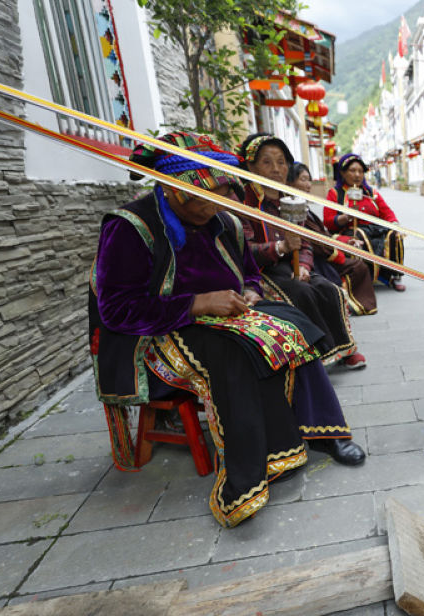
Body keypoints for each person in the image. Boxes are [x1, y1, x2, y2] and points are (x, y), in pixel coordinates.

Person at [90, 132, 367, 528]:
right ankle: (255, 469)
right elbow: (116, 309)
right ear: (176, 190)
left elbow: (251, 275)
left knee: (296, 327)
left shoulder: (224, 221)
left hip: (227, 312)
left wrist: (250, 293)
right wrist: (197, 303)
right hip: (159, 330)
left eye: (221, 196)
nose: (215, 207)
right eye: (207, 197)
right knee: (238, 354)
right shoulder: (130, 226)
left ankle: (325, 431)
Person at [237, 133, 368, 371]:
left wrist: (306, 266)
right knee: (301, 293)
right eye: (267, 162)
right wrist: (280, 247)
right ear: (251, 166)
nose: (276, 169)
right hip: (262, 271)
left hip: (294, 265)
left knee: (329, 289)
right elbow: (243, 249)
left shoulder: (291, 200)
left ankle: (346, 348)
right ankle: (317, 355)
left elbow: (305, 241)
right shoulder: (243, 203)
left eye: (281, 162)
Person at [286, 162, 378, 315]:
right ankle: (349, 303)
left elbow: (323, 233)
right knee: (357, 264)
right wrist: (345, 221)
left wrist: (346, 241)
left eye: (309, 180)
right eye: (303, 180)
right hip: (316, 256)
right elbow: (326, 225)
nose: (308, 185)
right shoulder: (333, 194)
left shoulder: (370, 192)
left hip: (339, 241)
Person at [323, 153, 407, 292]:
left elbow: (386, 211)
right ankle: (364, 277)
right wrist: (347, 217)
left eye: (360, 171)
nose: (357, 175)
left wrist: (394, 224)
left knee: (394, 234)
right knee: (359, 236)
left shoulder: (371, 192)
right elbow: (328, 221)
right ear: (343, 173)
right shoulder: (335, 193)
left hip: (374, 229)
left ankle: (393, 275)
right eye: (352, 170)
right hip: (350, 230)